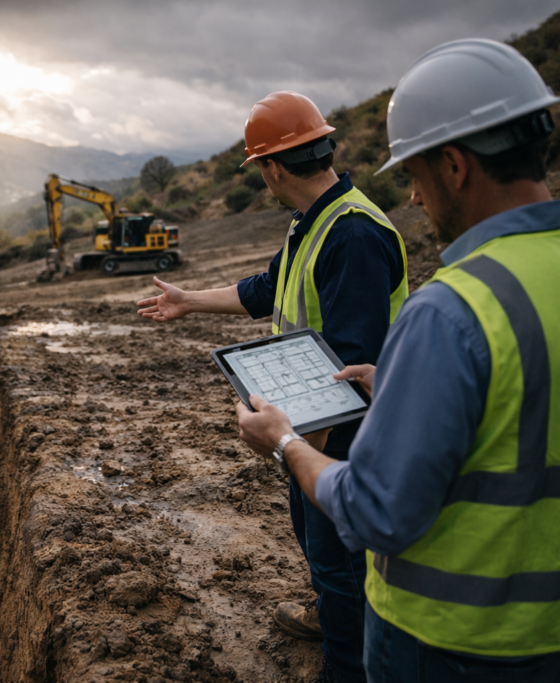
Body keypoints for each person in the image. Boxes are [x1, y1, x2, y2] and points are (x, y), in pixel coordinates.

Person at [235, 38, 560, 683]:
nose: (412, 199)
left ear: (456, 165)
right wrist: (400, 385)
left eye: (413, 174)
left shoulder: (453, 310)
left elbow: (373, 510)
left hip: (452, 636)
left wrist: (286, 442)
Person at [137, 91, 408, 683]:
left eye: (260, 166)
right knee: (320, 553)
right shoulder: (314, 221)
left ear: (274, 167)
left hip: (343, 433)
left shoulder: (353, 235)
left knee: (339, 561)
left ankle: (347, 664)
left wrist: (301, 453)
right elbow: (267, 289)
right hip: (309, 425)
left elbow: (352, 369)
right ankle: (332, 615)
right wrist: (190, 301)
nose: (263, 177)